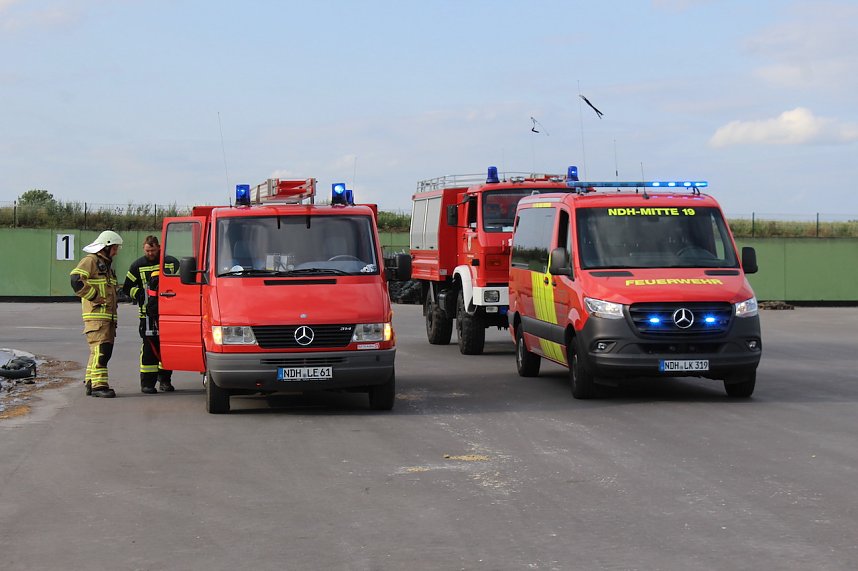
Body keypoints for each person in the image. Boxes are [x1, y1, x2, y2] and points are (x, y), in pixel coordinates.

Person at [70, 230, 123, 398]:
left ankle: (90, 381)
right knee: (102, 351)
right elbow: (76, 280)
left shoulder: (106, 266)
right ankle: (99, 386)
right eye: (114, 248)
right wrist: (94, 296)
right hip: (97, 318)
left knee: (97, 351)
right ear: (106, 247)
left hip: (106, 318)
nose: (116, 252)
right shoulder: (91, 261)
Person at [122, 235, 178, 394]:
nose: (150, 253)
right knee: (149, 349)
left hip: (167, 313)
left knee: (166, 348)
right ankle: (147, 384)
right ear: (143, 249)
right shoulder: (137, 266)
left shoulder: (171, 262)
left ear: (159, 247)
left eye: (153, 250)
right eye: (147, 250)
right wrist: (139, 294)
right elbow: (126, 287)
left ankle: (165, 381)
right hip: (146, 315)